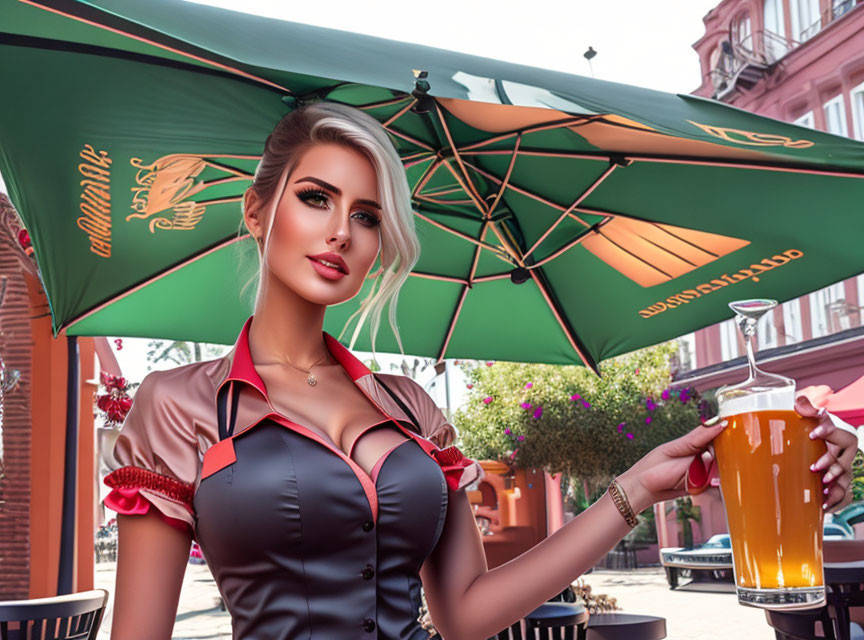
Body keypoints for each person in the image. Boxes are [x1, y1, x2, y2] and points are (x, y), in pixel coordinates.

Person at [102, 102, 859, 640]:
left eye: (367, 216)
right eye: (315, 198)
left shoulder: (411, 409)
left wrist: (635, 487)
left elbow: (464, 613)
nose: (342, 231)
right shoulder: (181, 405)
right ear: (257, 211)